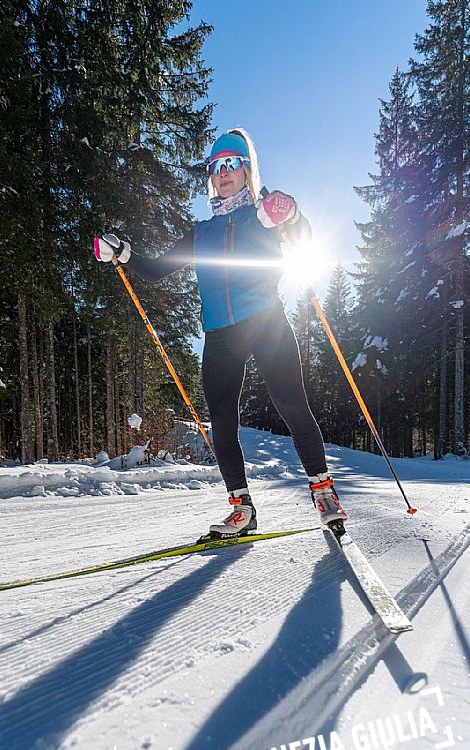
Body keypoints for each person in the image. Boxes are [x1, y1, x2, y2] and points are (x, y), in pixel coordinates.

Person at [94, 128, 346, 537]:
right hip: (219, 334)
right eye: (216, 166)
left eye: (232, 164)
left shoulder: (262, 214)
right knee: (222, 423)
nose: (223, 172)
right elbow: (157, 270)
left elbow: (303, 240)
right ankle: (241, 509)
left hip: (266, 323)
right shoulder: (201, 233)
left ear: (247, 171)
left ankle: (323, 492)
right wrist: (122, 253)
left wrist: (291, 214)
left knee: (292, 406)